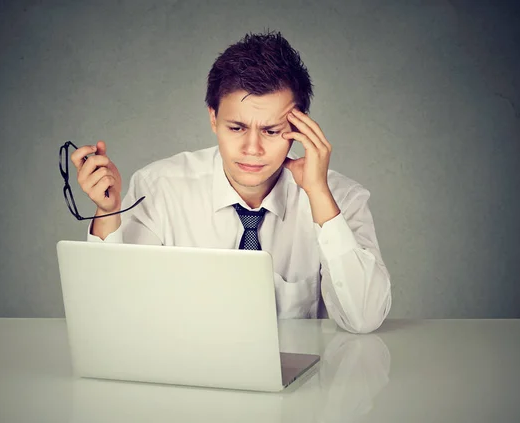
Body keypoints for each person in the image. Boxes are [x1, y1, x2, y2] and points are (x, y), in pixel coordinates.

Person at [70, 31, 391, 334]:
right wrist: (108, 211)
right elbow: (114, 312)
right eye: (237, 128)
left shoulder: (342, 199)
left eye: (271, 130)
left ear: (301, 127)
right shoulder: (159, 187)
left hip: (304, 386)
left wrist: (319, 195)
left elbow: (363, 319)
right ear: (213, 119)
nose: (253, 149)